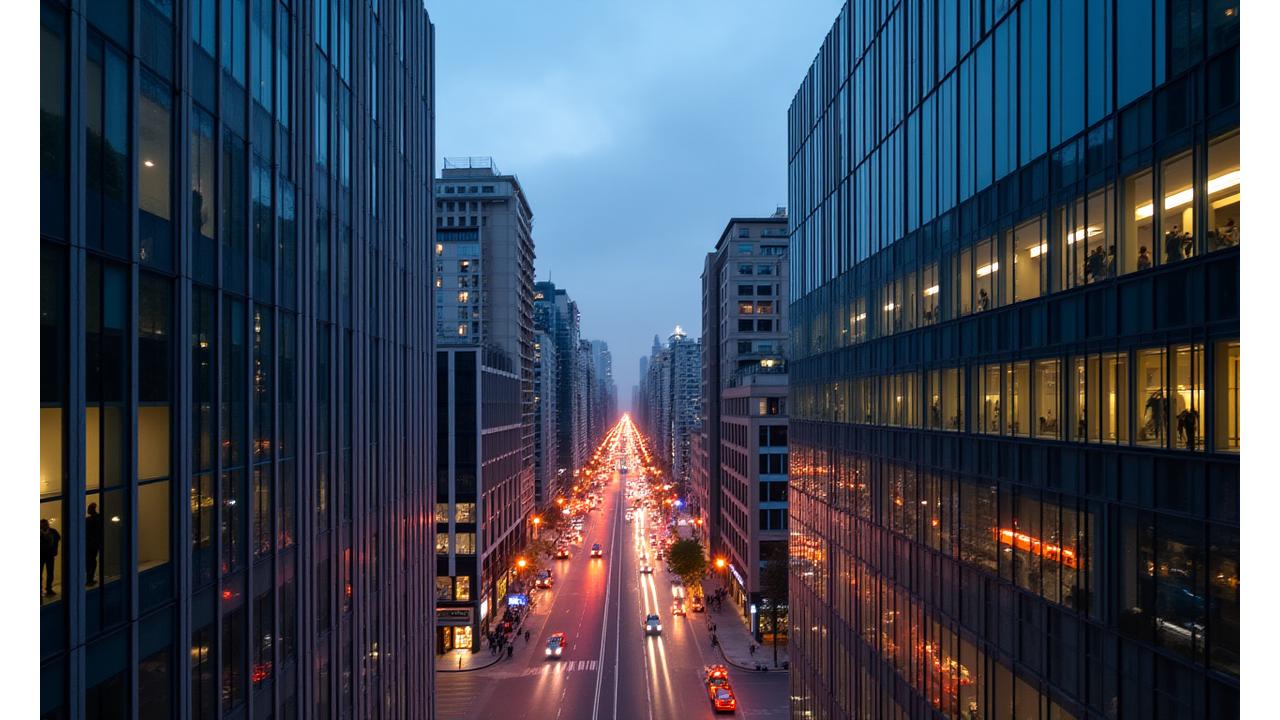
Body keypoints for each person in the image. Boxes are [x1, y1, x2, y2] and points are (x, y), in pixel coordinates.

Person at [40, 519, 60, 598]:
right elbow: (58, 539)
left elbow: (58, 538)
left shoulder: (53, 531)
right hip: (44, 555)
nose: (44, 526)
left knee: (49, 573)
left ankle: (48, 589)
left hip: (47, 555)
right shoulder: (53, 531)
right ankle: (45, 589)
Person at [85, 502, 103, 586]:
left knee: (90, 562)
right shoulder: (99, 518)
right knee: (92, 561)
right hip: (96, 543)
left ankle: (89, 579)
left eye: (89, 509)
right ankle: (90, 579)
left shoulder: (89, 520)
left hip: (90, 544)